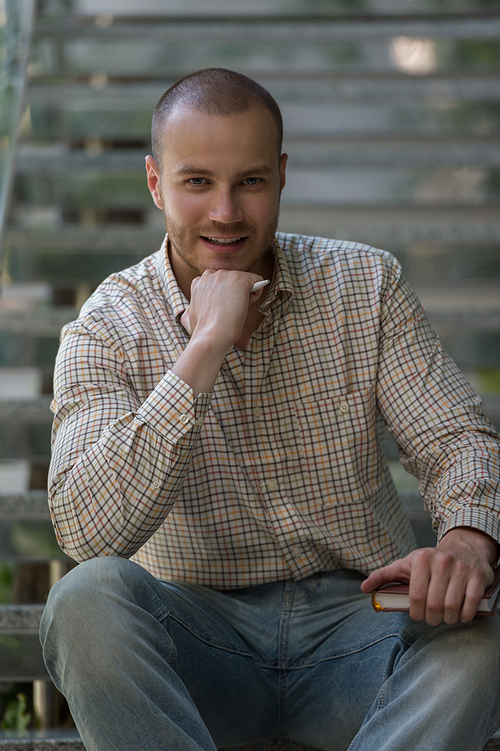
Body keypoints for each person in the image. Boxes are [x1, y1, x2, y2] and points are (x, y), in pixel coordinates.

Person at [40, 68, 500, 751]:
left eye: (249, 181)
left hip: (364, 621)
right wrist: (202, 350)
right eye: (198, 181)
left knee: (481, 638)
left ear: (281, 176)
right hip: (196, 648)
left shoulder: (365, 284)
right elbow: (83, 529)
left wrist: (465, 543)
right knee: (82, 602)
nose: (226, 211)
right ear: (155, 183)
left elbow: (457, 435)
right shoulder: (106, 326)